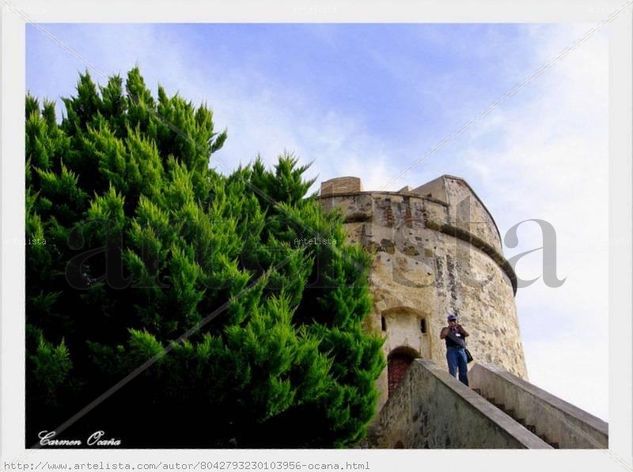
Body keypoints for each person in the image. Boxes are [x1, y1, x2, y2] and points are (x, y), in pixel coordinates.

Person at [439, 313, 470, 386]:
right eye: (451, 321)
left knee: (463, 370)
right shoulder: (446, 329)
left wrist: (461, 328)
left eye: (454, 320)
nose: (453, 322)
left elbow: (467, 334)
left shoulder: (459, 329)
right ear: (448, 322)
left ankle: (464, 387)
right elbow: (442, 336)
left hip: (461, 350)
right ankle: (454, 386)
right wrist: (449, 327)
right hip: (452, 350)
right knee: (453, 370)